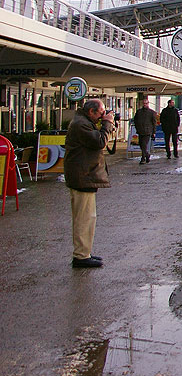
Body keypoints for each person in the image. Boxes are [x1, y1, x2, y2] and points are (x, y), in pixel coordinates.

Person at [63, 99, 115, 269]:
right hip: (82, 175)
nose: (102, 115)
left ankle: (84, 252)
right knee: (84, 218)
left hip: (83, 175)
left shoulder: (83, 122)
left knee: (87, 217)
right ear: (91, 112)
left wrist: (105, 125)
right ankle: (81, 256)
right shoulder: (81, 125)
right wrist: (107, 124)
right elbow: (99, 142)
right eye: (100, 113)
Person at [133, 99, 159, 164]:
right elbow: (135, 120)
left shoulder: (151, 112)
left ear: (148, 104)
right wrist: (137, 128)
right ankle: (147, 155)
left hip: (148, 131)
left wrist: (154, 132)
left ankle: (143, 158)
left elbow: (154, 123)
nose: (145, 105)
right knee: (141, 144)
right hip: (140, 131)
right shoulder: (139, 112)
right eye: (144, 103)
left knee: (144, 144)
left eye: (146, 103)